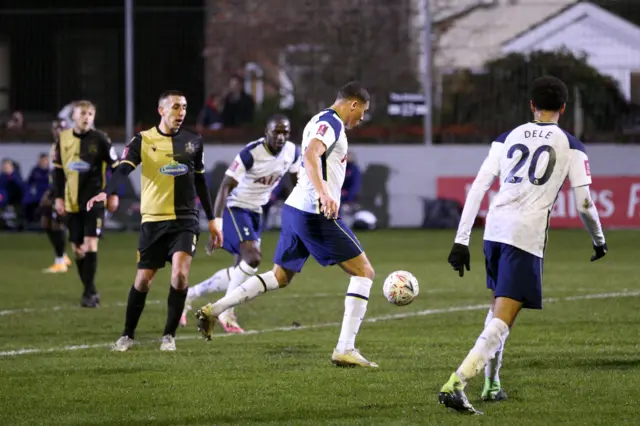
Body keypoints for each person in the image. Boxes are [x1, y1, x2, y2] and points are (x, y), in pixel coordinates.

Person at [438, 76, 608, 415]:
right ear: (563, 107)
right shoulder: (572, 145)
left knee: (498, 311)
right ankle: (456, 383)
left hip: (494, 231)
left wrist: (461, 240)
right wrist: (599, 240)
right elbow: (586, 204)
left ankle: (492, 383)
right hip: (525, 235)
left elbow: (478, 187)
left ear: (531, 106)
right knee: (504, 317)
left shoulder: (506, 138)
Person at [195, 81, 378, 368]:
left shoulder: (317, 119)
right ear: (352, 104)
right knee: (365, 272)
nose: (362, 118)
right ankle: (345, 348)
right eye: (363, 111)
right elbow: (310, 155)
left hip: (295, 209)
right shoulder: (331, 123)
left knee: (280, 277)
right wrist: (325, 193)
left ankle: (216, 308)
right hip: (315, 213)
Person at [86, 90, 223, 352]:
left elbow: (201, 181)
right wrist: (108, 190)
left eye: (183, 107)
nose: (180, 112)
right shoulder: (143, 140)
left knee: (181, 275)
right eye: (175, 107)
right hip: (153, 221)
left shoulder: (194, 141)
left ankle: (168, 336)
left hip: (185, 219)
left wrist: (212, 219)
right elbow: (123, 168)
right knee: (144, 281)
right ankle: (127, 335)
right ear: (161, 110)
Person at [180, 115, 300, 332]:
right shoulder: (251, 153)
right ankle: (226, 312)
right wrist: (215, 223)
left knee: (241, 269)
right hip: (236, 208)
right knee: (253, 259)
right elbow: (225, 185)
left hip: (256, 211)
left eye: (285, 132)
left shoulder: (292, 151)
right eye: (277, 132)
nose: (281, 137)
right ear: (267, 131)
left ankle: (190, 294)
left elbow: (295, 184)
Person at [52, 101, 119, 306]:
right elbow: (58, 171)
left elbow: (116, 167)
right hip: (72, 201)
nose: (87, 117)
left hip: (94, 200)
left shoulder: (100, 139)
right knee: (78, 249)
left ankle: (88, 294)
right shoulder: (62, 139)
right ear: (73, 116)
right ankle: (90, 289)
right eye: (83, 113)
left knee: (90, 243)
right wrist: (58, 197)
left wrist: (113, 193)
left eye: (90, 113)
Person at [41, 120, 71, 273]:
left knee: (57, 221)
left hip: (65, 189)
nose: (58, 131)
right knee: (45, 219)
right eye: (55, 128)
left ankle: (60, 261)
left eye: (61, 128)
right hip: (54, 188)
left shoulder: (69, 146)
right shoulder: (55, 146)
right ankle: (63, 255)